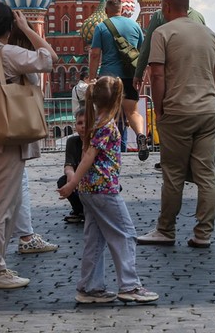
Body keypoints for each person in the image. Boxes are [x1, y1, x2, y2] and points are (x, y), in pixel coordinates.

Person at [0, 2, 58, 289]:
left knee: (3, 203)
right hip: (1, 139)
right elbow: (49, 57)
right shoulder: (6, 53)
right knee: (0, 207)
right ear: (9, 25)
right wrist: (28, 29)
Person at [59, 77, 159, 304]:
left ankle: (89, 287)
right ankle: (130, 285)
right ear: (117, 99)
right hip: (104, 189)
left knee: (94, 240)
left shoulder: (95, 122)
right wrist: (71, 184)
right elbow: (89, 157)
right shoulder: (105, 125)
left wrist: (76, 184)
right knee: (125, 233)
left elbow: (86, 155)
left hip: (89, 190)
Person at [138, 0, 215, 247]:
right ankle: (203, 233)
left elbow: (157, 75)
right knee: (207, 175)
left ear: (165, 7)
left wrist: (161, 108)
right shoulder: (211, 35)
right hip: (209, 111)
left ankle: (165, 229)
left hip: (178, 111)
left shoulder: (162, 33)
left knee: (173, 174)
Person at [89, 0, 148, 159]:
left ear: (107, 11)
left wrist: (92, 78)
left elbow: (95, 54)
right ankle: (141, 136)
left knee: (107, 113)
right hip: (130, 76)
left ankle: (109, 147)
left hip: (109, 77)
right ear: (121, 9)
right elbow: (141, 54)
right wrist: (139, 75)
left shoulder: (102, 27)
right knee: (133, 112)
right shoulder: (135, 26)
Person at [59, 109, 87, 224]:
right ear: (75, 125)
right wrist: (70, 174)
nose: (83, 126)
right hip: (78, 178)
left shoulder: (96, 140)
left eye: (87, 123)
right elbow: (68, 164)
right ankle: (79, 210)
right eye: (80, 123)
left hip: (95, 177)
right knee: (63, 181)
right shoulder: (72, 141)